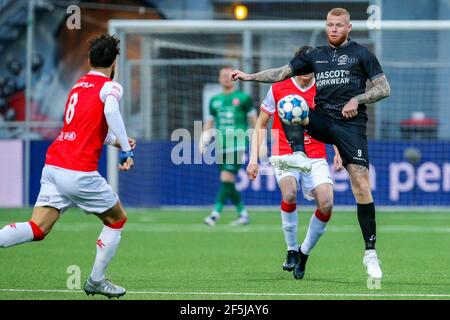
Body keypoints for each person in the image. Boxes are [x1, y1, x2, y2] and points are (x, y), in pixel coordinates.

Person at [231, 8, 391, 279]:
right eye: (330, 25)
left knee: (361, 185)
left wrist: (358, 99)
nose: (334, 29)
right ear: (326, 26)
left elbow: (383, 88)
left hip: (350, 126)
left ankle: (370, 253)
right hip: (322, 121)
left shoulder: (362, 54)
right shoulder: (314, 55)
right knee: (292, 105)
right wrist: (250, 76)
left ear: (349, 27)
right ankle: (298, 154)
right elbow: (281, 72)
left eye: (339, 25)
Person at [0, 34, 136, 298]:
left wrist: (117, 142)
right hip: (78, 171)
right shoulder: (111, 86)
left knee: (38, 227)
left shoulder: (78, 85)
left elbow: (84, 128)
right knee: (117, 219)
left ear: (88, 60)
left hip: (53, 166)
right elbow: (110, 112)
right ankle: (96, 281)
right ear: (114, 63)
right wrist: (127, 150)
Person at [247, 46, 342, 279]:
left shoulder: (323, 90)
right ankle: (291, 250)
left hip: (315, 153)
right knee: (289, 193)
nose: (305, 71)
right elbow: (260, 124)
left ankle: (304, 252)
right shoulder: (278, 87)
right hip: (284, 151)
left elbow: (332, 125)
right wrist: (253, 159)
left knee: (327, 203)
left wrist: (339, 150)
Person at [200, 65, 257, 226]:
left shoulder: (243, 98)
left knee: (226, 178)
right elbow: (210, 122)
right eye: (223, 75)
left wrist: (259, 140)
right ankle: (243, 214)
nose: (226, 78)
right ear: (219, 79)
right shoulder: (214, 101)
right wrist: (204, 139)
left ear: (235, 78)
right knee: (227, 182)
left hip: (237, 144)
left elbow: (254, 121)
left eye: (229, 75)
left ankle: (214, 214)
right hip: (220, 145)